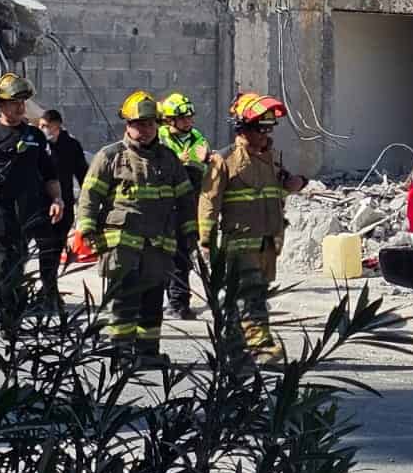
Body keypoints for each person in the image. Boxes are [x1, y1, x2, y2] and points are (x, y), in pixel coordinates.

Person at [74, 91, 197, 371]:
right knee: (124, 301)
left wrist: (190, 232)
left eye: (150, 124)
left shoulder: (169, 159)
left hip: (158, 246)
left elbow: (185, 199)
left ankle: (148, 353)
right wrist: (87, 229)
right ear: (128, 125)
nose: (146, 130)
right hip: (122, 247)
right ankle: (120, 354)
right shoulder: (110, 156)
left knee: (152, 302)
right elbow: (90, 196)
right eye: (139, 124)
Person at [199, 92, 305, 368]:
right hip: (240, 241)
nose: (266, 135)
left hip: (268, 241)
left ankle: (233, 351)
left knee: (241, 298)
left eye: (269, 129)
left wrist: (294, 184)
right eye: (260, 129)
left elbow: (274, 192)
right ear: (243, 128)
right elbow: (209, 200)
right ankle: (261, 348)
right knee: (252, 294)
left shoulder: (272, 159)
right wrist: (206, 239)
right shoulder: (224, 159)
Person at [0, 73, 65, 329]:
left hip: (29, 209)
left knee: (20, 259)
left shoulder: (35, 136)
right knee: (2, 262)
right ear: (1, 105)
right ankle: (8, 314)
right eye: (15, 102)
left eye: (22, 102)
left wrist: (57, 199)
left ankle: (15, 311)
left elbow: (49, 174)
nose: (20, 107)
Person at [158, 92, 211, 321]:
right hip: (162, 206)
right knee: (160, 256)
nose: (189, 122)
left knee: (182, 255)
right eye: (183, 118)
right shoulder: (159, 136)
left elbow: (205, 167)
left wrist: (205, 159)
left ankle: (179, 304)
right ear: (170, 120)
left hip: (189, 203)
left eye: (190, 117)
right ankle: (160, 301)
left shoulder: (196, 136)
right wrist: (178, 161)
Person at [36, 108, 89, 312]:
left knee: (56, 249)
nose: (42, 129)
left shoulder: (71, 146)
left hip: (64, 206)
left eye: (46, 126)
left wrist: (88, 201)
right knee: (46, 249)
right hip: (41, 206)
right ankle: (48, 291)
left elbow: (82, 174)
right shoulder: (38, 145)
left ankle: (49, 290)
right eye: (40, 125)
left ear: (57, 126)